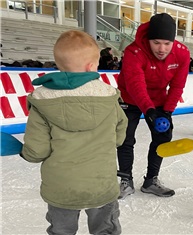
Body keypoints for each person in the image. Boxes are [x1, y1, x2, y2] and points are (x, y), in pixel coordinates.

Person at [20, 30, 128, 235]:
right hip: (100, 184)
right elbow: (120, 136)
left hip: (62, 188)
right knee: (105, 229)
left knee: (61, 231)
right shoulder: (108, 98)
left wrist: (25, 152)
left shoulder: (43, 102)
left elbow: (37, 151)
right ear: (91, 66)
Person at [116, 13, 190, 199]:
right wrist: (149, 111)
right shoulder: (134, 52)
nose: (162, 48)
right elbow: (135, 85)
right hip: (130, 97)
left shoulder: (182, 53)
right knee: (125, 138)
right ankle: (126, 180)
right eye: (156, 42)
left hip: (158, 99)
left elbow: (177, 86)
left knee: (163, 136)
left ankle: (151, 180)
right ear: (149, 39)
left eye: (167, 43)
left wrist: (167, 112)